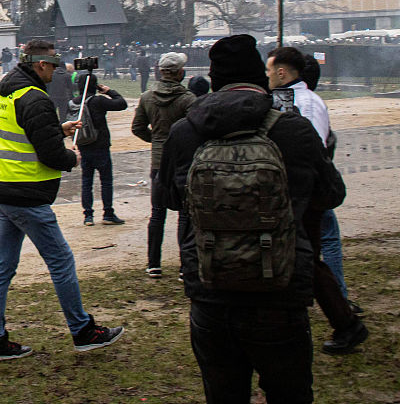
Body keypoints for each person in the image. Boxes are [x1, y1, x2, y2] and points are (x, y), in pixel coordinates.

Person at [160, 34, 345, 403]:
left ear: (213, 79)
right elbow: (332, 194)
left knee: (224, 392)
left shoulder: (184, 132)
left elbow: (170, 199)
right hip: (280, 286)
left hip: (210, 287)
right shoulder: (292, 129)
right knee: (289, 393)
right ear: (261, 78)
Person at [0, 40, 124, 360]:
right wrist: (71, 158)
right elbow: (49, 154)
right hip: (26, 195)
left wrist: (57, 128)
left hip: (2, 190)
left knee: (2, 267)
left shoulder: (9, 90)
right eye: (53, 65)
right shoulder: (35, 97)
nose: (57, 71)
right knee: (61, 261)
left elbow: (25, 132)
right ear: (40, 65)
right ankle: (82, 330)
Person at [266, 46, 367, 355]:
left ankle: (345, 322)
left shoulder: (305, 104)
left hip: (304, 196)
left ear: (282, 72)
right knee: (304, 260)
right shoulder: (297, 101)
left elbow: (310, 152)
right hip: (300, 194)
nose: (267, 75)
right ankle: (341, 321)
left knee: (305, 260)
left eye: (269, 70)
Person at [130, 52, 196, 277]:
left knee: (157, 213)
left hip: (158, 161)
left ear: (159, 72)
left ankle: (153, 263)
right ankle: (184, 265)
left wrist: (157, 141)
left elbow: (137, 127)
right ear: (180, 73)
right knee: (185, 214)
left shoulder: (147, 97)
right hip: (183, 162)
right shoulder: (188, 100)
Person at [72, 72, 128, 226]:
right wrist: (109, 91)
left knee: (86, 181)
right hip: (100, 145)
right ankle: (108, 213)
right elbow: (122, 103)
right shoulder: (98, 101)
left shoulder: (74, 102)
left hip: (84, 144)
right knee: (106, 181)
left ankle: (88, 216)